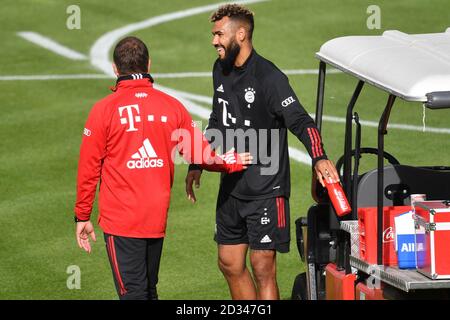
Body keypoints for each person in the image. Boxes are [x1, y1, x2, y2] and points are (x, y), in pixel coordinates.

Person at [73, 36, 251, 300]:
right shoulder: (172, 107)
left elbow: (89, 168)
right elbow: (202, 155)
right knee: (148, 289)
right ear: (149, 64)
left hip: (121, 222)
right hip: (155, 218)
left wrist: (82, 216)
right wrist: (232, 162)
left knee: (133, 293)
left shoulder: (103, 111)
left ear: (114, 68)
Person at [185, 4, 340, 300]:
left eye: (219, 34)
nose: (214, 41)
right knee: (229, 263)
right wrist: (199, 161)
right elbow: (219, 119)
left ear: (240, 34)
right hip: (231, 187)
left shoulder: (270, 78)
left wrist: (319, 156)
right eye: (213, 34)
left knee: (262, 266)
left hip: (267, 189)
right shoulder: (220, 69)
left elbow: (300, 121)